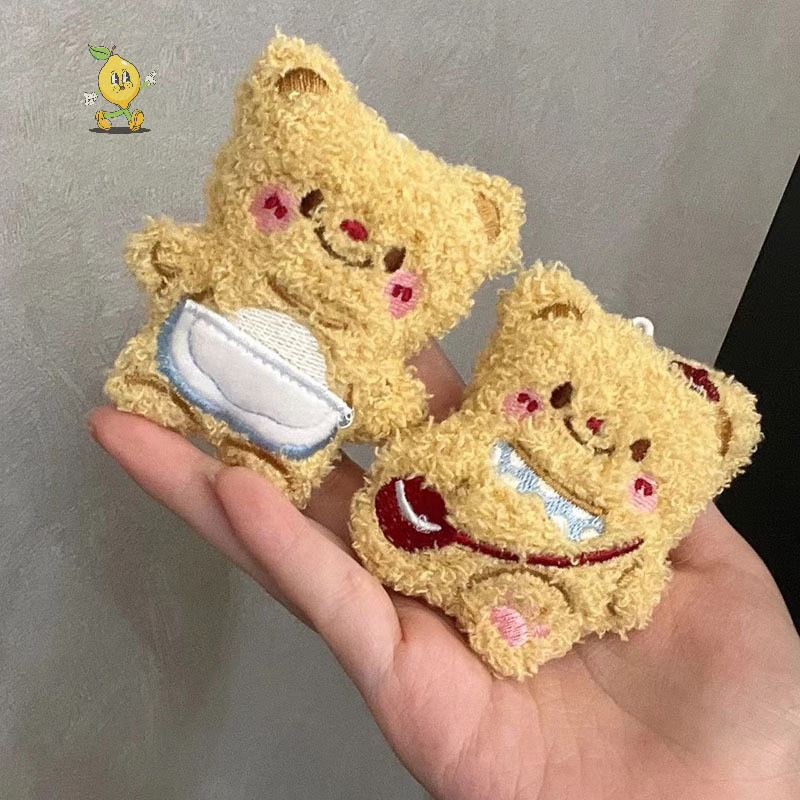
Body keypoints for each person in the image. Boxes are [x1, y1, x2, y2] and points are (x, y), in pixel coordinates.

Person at [89, 343, 800, 800]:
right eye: (556, 400)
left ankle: (510, 613)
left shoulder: (634, 531)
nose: (586, 432)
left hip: (546, 590)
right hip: (444, 517)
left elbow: (632, 588)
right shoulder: (470, 442)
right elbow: (435, 461)